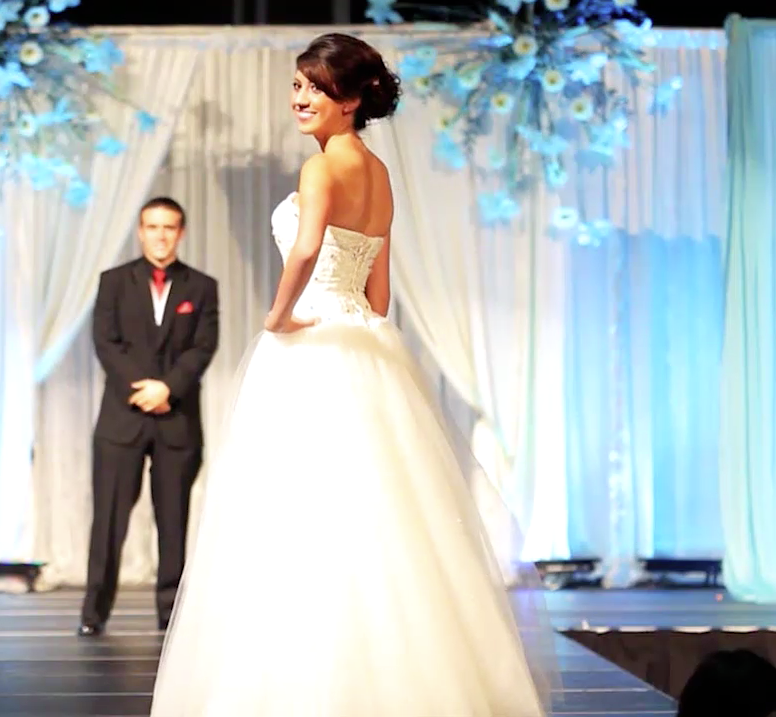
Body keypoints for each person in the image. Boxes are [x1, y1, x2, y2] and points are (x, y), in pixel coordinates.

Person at [149, 34, 548, 716]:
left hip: (311, 344)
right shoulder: (379, 173)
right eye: (298, 84)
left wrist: (278, 316)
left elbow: (306, 249)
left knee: (297, 512)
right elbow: (379, 294)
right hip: (366, 342)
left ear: (354, 98)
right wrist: (352, 316)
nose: (301, 98)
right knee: (384, 512)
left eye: (318, 87)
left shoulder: (322, 167)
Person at [79, 196, 219, 636]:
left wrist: (167, 389)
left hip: (177, 421)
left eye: (169, 227)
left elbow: (203, 347)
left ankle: (170, 617)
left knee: (173, 522)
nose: (161, 236)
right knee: (108, 521)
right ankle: (93, 614)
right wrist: (142, 390)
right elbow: (106, 342)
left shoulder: (202, 287)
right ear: (140, 232)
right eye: (153, 227)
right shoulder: (114, 282)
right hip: (122, 419)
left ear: (181, 232)